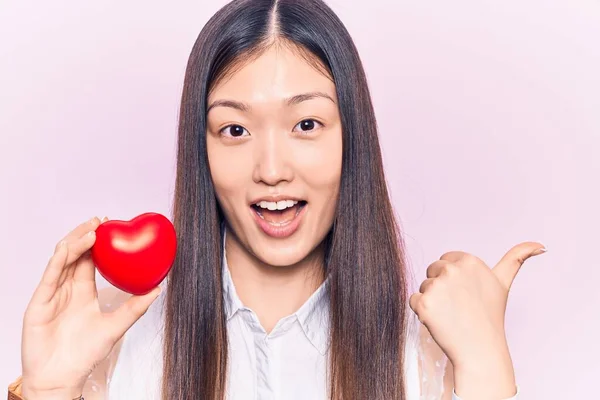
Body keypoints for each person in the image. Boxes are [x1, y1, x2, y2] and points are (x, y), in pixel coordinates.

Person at [8, 0, 546, 399]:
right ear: (202, 149)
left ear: (350, 137)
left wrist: (485, 369)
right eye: (235, 130)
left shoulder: (431, 359)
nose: (271, 170)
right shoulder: (114, 345)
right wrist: (50, 388)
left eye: (306, 124)